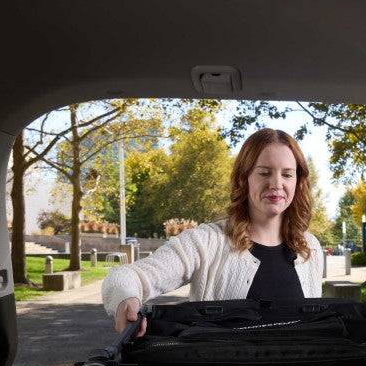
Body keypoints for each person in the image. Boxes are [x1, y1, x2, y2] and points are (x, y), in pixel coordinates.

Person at [102, 128, 324, 335]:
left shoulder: (310, 248)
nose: (276, 184)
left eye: (287, 174)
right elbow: (123, 276)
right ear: (242, 179)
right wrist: (126, 300)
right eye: (264, 173)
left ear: (298, 182)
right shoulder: (206, 243)